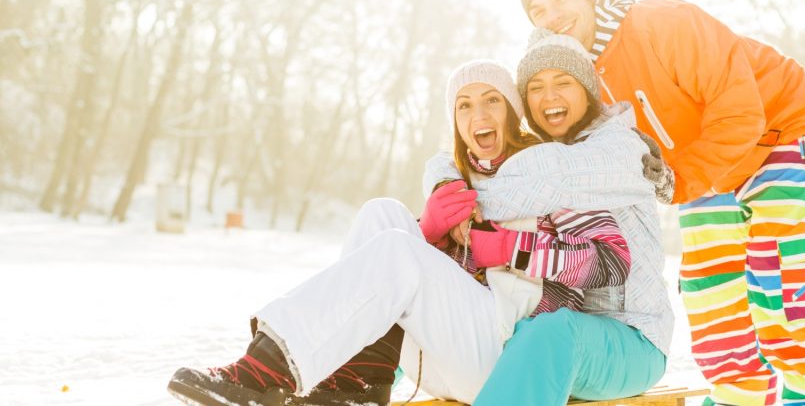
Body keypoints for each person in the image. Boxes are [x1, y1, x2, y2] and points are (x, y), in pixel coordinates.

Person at [166, 60, 639, 406]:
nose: (479, 114)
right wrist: (429, 230)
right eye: (465, 105)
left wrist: (511, 249)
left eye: (492, 100)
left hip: (511, 355)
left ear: (512, 113)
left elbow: (612, 261)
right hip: (449, 352)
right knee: (383, 216)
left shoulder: (549, 174)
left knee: (397, 248)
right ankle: (356, 384)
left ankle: (266, 368)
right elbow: (407, 278)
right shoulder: (457, 183)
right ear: (455, 121)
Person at [517, 0, 805, 405]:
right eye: (537, 9)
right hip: (701, 166)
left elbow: (739, 109)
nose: (553, 13)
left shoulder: (661, 23)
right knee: (710, 290)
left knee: (778, 274)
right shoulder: (577, 78)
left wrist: (680, 182)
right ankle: (740, 396)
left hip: (777, 131)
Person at [423, 28, 674, 405]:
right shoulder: (540, 153)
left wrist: (457, 187)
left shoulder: (613, 147)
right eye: (535, 87)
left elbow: (544, 179)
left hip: (633, 338)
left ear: (587, 90)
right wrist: (446, 177)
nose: (549, 97)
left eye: (563, 82)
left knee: (550, 332)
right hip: (554, 332)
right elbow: (488, 162)